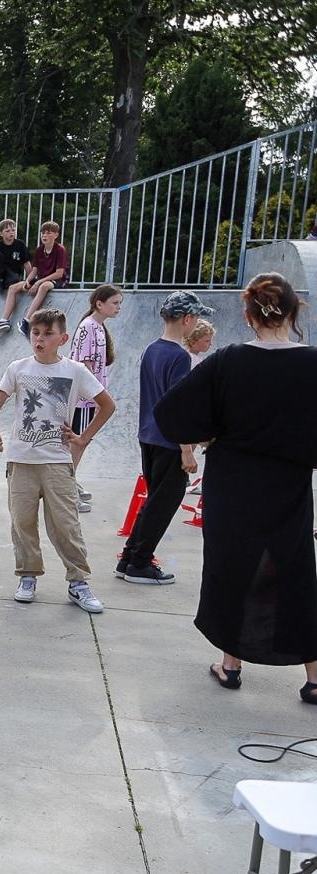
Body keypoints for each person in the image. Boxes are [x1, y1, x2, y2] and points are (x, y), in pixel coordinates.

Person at [153, 273, 317, 704]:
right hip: (288, 485)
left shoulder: (227, 360)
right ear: (294, 312)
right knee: (296, 570)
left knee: (233, 567)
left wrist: (209, 432)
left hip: (233, 483)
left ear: (247, 316)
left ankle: (231, 665)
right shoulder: (312, 363)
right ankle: (314, 677)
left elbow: (170, 411)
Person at [0, 308, 117, 613]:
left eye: (47, 334)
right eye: (35, 333)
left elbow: (107, 405)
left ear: (63, 338)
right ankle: (27, 575)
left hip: (57, 461)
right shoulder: (18, 368)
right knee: (22, 522)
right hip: (21, 460)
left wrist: (83, 438)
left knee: (66, 524)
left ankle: (78, 581)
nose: (40, 339)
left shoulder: (74, 371)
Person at [116, 291, 210, 586]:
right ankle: (140, 563)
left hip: (148, 436)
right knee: (164, 503)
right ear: (187, 319)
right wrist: (187, 449)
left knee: (154, 500)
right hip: (170, 441)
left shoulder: (151, 349)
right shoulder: (179, 356)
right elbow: (177, 405)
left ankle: (129, 557)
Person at [67, 285, 124, 509]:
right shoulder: (88, 327)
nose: (118, 307)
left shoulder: (98, 327)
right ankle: (66, 489)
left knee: (81, 441)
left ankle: (69, 480)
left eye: (119, 303)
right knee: (78, 442)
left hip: (91, 397)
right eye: (115, 303)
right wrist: (99, 396)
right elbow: (85, 365)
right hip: (84, 399)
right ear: (99, 304)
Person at [7, 221, 70, 338]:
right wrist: (28, 280)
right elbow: (34, 270)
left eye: (48, 233)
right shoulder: (39, 250)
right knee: (13, 287)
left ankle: (27, 321)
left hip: (59, 280)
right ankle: (4, 320)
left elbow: (59, 273)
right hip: (42, 279)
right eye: (43, 233)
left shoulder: (60, 250)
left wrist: (39, 282)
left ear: (56, 235)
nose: (44, 236)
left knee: (44, 286)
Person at [182, 319, 217, 496]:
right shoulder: (191, 360)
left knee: (194, 442)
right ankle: (183, 475)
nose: (210, 344)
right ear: (194, 340)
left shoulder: (194, 358)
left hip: (194, 408)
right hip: (192, 409)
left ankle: (184, 476)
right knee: (193, 442)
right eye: (207, 341)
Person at [0, 218, 33, 335]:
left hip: (14, 277)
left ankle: (4, 321)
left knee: (13, 283)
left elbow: (27, 264)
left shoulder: (20, 245)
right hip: (0, 276)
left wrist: (30, 280)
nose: (11, 233)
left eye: (13, 230)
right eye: (7, 231)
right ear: (1, 233)